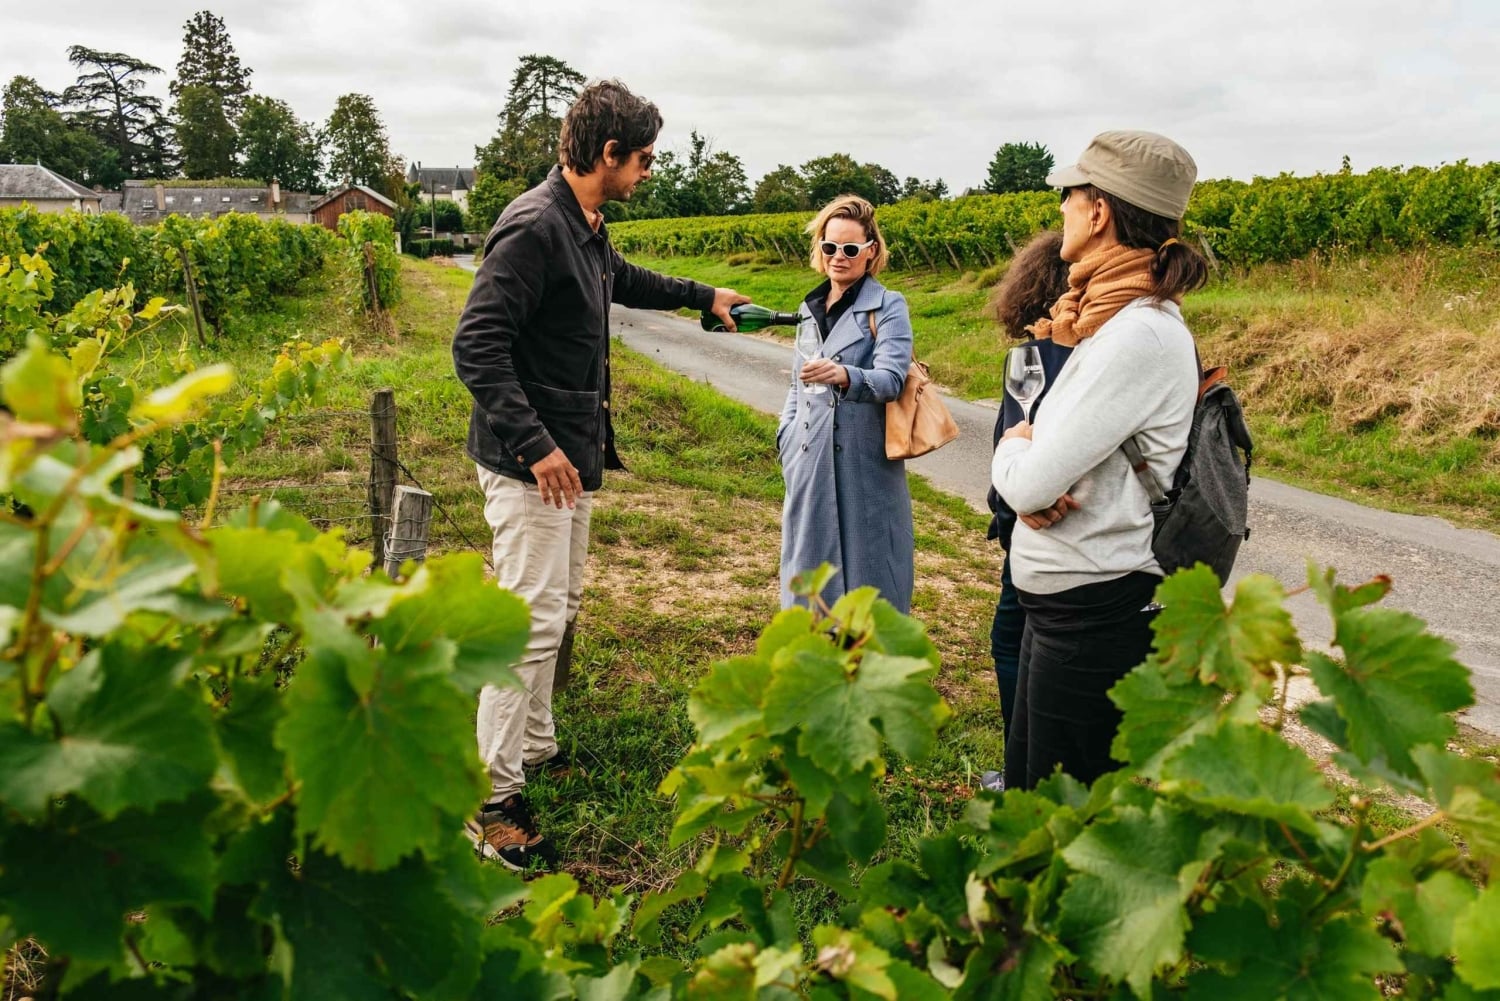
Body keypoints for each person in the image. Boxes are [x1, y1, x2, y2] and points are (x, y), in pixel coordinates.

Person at [452, 79, 748, 869]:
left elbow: (626, 277)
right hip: (532, 466)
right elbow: (475, 346)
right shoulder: (533, 230)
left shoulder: (584, 224)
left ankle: (536, 748)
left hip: (571, 461)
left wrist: (702, 296)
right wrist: (538, 446)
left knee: (559, 608)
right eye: (643, 158)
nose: (649, 170)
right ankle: (487, 797)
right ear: (607, 154)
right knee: (526, 622)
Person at [990, 130, 1208, 791]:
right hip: (1068, 610)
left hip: (1094, 617)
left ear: (1098, 211)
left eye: (1068, 194)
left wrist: (1010, 444)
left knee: (1065, 821)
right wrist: (1031, 453)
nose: (1060, 207)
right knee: (1036, 800)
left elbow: (1029, 480)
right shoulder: (1112, 325)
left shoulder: (1137, 335)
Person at [777, 195, 914, 613]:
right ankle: (814, 666)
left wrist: (846, 375)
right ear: (819, 247)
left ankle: (868, 671)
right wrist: (786, 439)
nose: (839, 257)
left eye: (850, 248)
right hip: (810, 461)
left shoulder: (888, 306)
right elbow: (796, 384)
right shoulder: (809, 308)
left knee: (871, 575)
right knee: (810, 576)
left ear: (870, 251)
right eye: (830, 246)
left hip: (863, 464)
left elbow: (892, 378)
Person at [978, 231, 1071, 793]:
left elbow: (1012, 435)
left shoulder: (1034, 357)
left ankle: (1024, 776)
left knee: (1014, 640)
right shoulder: (1108, 345)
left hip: (1034, 517)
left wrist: (1008, 506)